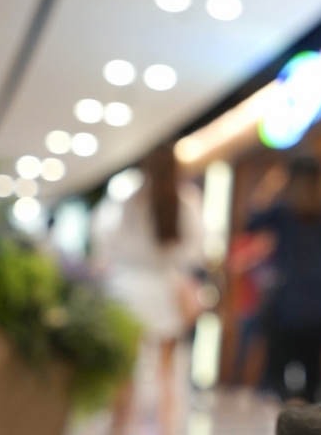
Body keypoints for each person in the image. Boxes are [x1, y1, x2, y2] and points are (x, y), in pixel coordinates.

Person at [94, 144, 204, 435]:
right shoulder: (186, 201)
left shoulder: (128, 200)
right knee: (166, 372)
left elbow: (107, 241)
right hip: (165, 290)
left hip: (126, 291)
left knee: (125, 372)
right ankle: (166, 429)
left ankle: (118, 428)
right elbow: (194, 250)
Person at [249, 156, 321, 403]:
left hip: (286, 309)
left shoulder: (283, 212)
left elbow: (252, 219)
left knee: (279, 382)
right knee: (313, 386)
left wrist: (271, 184)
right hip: (319, 312)